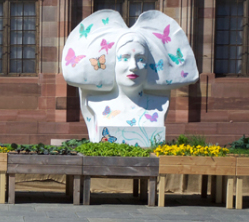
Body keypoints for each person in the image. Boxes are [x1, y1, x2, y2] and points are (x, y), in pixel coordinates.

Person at [61, 9, 199, 146]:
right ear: (112, 63)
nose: (133, 66)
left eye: (141, 59)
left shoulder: (158, 105)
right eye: (125, 58)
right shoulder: (95, 103)